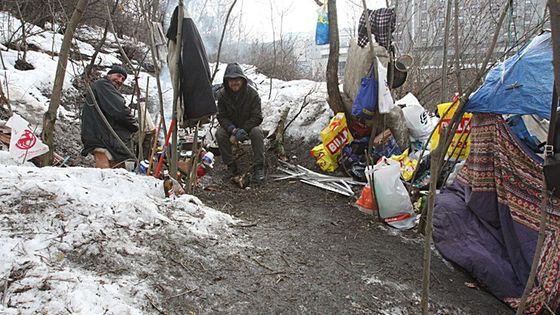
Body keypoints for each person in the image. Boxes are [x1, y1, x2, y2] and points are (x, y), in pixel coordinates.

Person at [81, 65, 138, 168]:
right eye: (118, 76)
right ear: (109, 75)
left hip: (101, 135)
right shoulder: (103, 85)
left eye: (123, 79)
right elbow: (119, 110)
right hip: (101, 136)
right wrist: (133, 124)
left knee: (112, 171)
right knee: (105, 171)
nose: (120, 80)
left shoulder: (103, 88)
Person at [216, 63, 265, 183]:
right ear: (227, 81)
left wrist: (244, 129)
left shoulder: (252, 94)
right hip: (231, 128)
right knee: (219, 134)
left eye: (237, 79)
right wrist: (233, 130)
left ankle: (259, 167)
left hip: (248, 127)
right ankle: (231, 167)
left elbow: (257, 116)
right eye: (231, 80)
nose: (235, 83)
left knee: (257, 132)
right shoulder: (222, 95)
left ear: (242, 80)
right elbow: (221, 116)